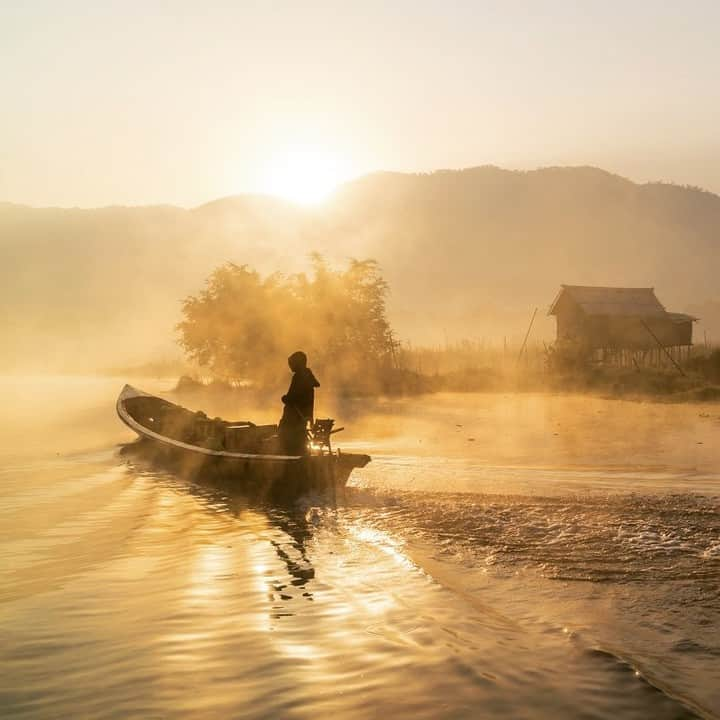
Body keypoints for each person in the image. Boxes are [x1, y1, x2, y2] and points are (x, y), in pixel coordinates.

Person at [278, 351, 320, 454]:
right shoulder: (308, 377)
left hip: (293, 417)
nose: (290, 366)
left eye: (291, 363)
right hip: (303, 416)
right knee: (299, 436)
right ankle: (301, 452)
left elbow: (292, 398)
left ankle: (289, 455)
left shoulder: (299, 377)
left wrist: (284, 398)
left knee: (284, 434)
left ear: (298, 363)